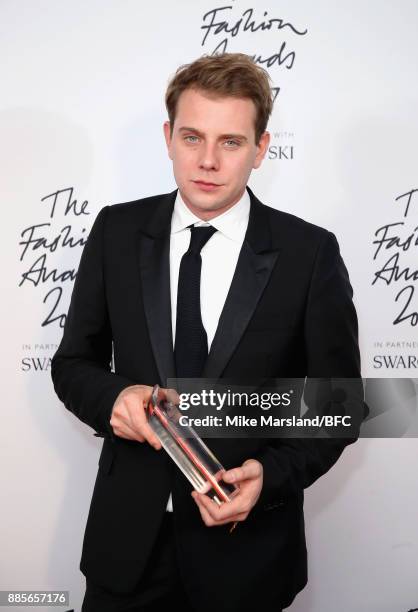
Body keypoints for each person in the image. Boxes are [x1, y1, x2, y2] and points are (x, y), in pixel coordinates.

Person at [51, 52, 361, 612]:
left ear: (261, 149)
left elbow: (339, 404)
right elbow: (73, 364)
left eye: (231, 142)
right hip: (125, 555)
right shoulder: (116, 232)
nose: (208, 161)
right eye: (192, 137)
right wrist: (116, 396)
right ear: (168, 137)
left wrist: (268, 476)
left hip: (251, 563)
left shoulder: (309, 253)